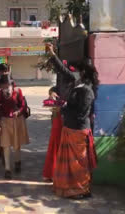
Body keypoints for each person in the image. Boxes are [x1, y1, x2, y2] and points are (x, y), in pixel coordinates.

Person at [46, 44, 99, 199]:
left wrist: (62, 107)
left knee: (78, 164)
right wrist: (52, 54)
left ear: (83, 72)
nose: (75, 72)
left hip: (77, 130)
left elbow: (79, 112)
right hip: (73, 128)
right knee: (72, 164)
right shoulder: (81, 86)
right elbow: (64, 71)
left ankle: (81, 190)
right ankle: (74, 189)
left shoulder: (86, 91)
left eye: (78, 70)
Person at [42, 43, 82, 181]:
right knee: (55, 144)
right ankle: (53, 173)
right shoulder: (64, 77)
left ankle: (66, 176)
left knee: (67, 148)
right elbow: (57, 88)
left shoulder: (75, 75)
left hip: (70, 118)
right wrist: (52, 92)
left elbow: (64, 71)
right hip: (59, 116)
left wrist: (53, 55)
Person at [0, 75, 30, 179]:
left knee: (16, 144)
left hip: (17, 120)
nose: (6, 87)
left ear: (11, 83)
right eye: (3, 85)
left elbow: (23, 105)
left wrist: (18, 111)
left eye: (8, 85)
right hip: (5, 121)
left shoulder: (18, 91)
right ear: (1, 85)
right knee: (6, 145)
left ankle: (17, 161)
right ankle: (7, 169)